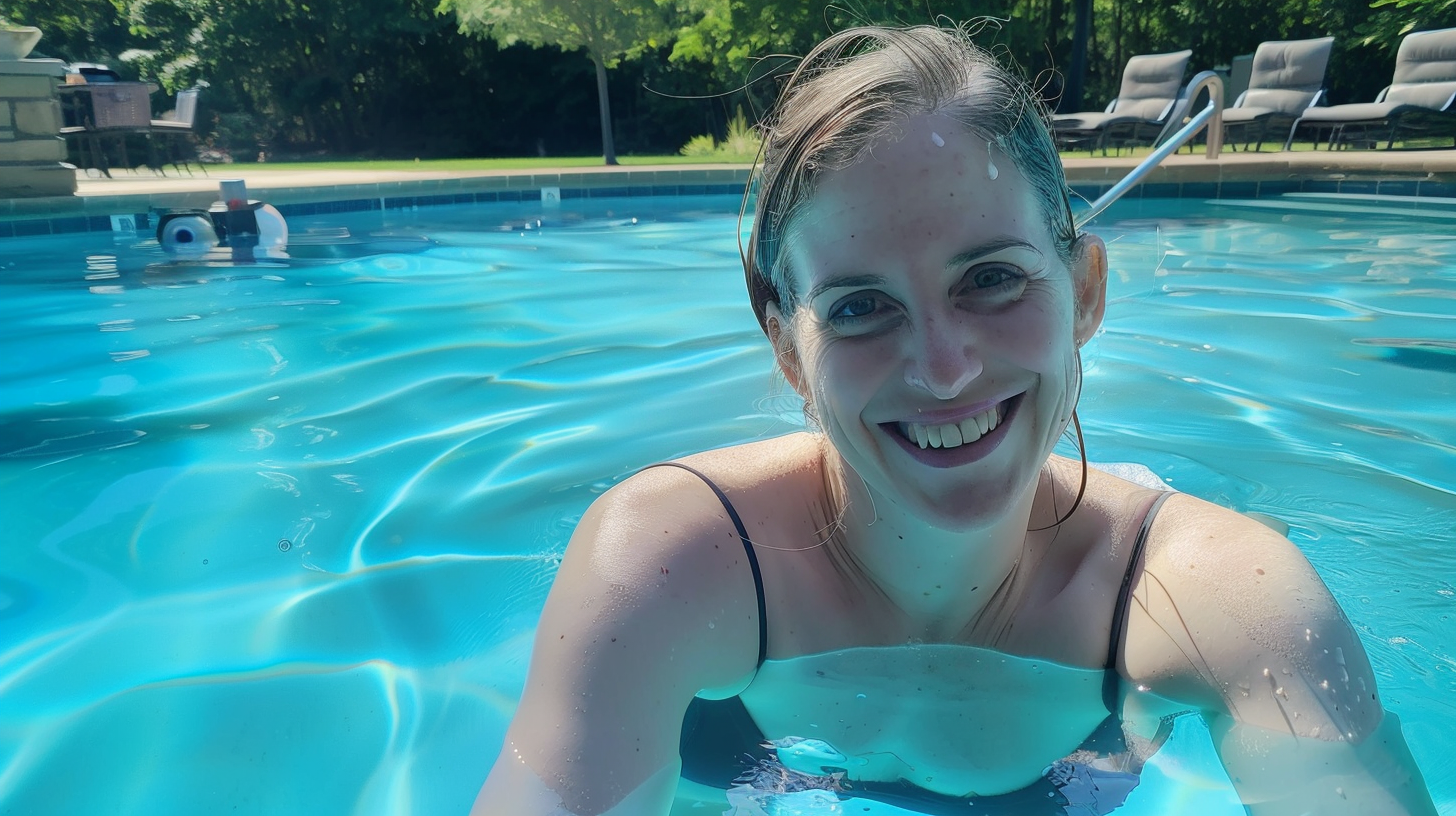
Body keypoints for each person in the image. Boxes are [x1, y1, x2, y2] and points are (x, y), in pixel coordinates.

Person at [471, 24, 1437, 816]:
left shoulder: (1226, 602)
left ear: (1086, 290)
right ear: (785, 346)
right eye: (858, 306)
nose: (942, 369)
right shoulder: (670, 567)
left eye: (992, 279)